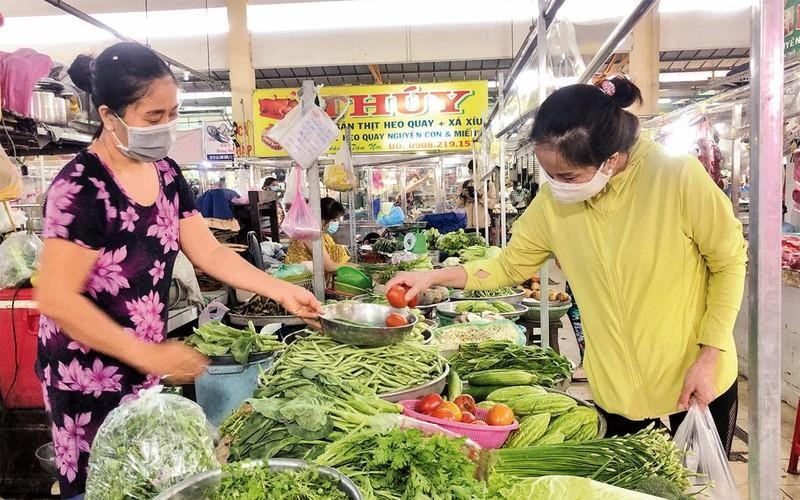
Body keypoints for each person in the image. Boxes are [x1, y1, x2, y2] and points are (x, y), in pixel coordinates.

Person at [389, 75, 746, 455]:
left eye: (568, 176)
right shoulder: (552, 204)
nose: (558, 185)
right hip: (616, 386)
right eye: (551, 175)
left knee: (703, 487)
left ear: (610, 159)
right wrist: (431, 276)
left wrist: (711, 354)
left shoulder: (676, 178)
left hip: (694, 374)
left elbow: (728, 262)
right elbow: (507, 267)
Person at [36, 42, 322, 499]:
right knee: (107, 486)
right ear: (110, 117)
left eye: (173, 113)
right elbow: (55, 298)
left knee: (156, 482)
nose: (167, 127)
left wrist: (281, 292)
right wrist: (148, 355)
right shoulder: (81, 187)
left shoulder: (166, 173)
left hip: (145, 363)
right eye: (154, 117)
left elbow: (207, 252)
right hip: (86, 376)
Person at [285, 196, 350, 273]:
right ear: (326, 218)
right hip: (302, 281)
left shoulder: (319, 234)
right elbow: (329, 267)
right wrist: (354, 267)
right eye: (335, 220)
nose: (336, 222)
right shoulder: (309, 234)